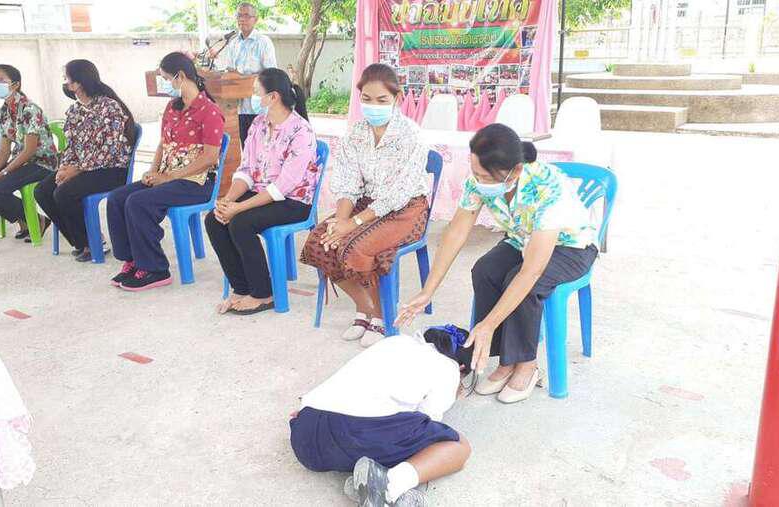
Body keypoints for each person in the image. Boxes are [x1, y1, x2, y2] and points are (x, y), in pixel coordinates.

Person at [396, 124, 599, 404]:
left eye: (484, 176)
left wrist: (488, 324)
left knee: (523, 281)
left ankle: (526, 363)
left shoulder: (548, 189)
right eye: (475, 172)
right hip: (522, 239)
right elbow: (456, 232)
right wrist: (427, 291)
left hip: (571, 247)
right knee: (486, 270)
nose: (477, 181)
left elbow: (531, 272)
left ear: (515, 171)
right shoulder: (480, 181)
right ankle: (506, 359)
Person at [300, 63, 431, 348]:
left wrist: (353, 224)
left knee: (355, 248)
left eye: (382, 100)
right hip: (368, 202)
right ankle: (365, 308)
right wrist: (340, 221)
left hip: (406, 208)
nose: (374, 106)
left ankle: (382, 315)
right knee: (321, 242)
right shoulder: (356, 133)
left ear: (397, 98)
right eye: (367, 99)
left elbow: (398, 194)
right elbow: (347, 180)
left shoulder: (411, 135)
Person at [290, 326, 473, 506]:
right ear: (462, 366)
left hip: (306, 436)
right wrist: (453, 391)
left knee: (385, 421)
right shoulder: (450, 367)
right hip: (354, 435)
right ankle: (389, 485)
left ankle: (367, 480)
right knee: (458, 446)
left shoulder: (397, 341)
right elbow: (428, 420)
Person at [106, 52, 224, 291]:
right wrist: (152, 172)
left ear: (180, 76)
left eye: (166, 78)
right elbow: (163, 144)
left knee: (138, 202)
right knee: (117, 198)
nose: (164, 84)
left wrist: (168, 177)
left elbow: (210, 158)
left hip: (196, 182)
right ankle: (133, 260)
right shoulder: (172, 107)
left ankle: (155, 269)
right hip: (168, 176)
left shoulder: (209, 111)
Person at [205, 68, 319, 315]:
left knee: (240, 223)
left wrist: (239, 208)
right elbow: (246, 169)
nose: (253, 97)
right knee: (215, 219)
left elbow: (284, 186)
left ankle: (263, 293)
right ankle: (241, 288)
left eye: (257, 92)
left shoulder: (301, 131)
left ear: (273, 97)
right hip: (262, 193)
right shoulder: (258, 124)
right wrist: (228, 201)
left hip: (293, 201)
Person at [34, 59, 136, 262]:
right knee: (43, 191)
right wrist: (64, 168)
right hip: (84, 167)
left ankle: (94, 242)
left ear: (78, 82)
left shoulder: (109, 107)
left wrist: (77, 170)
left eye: (67, 78)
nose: (64, 83)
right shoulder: (75, 110)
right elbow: (71, 145)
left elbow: (110, 149)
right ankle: (81, 241)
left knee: (64, 193)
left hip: (111, 169)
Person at [0, 64, 57, 241]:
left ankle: (36, 220)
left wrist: (1, 174)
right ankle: (23, 220)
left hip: (41, 162)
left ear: (15, 84)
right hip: (20, 161)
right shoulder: (3, 112)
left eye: (1, 80)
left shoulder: (30, 109)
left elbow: (29, 150)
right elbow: (4, 150)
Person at [211, 1, 276, 144]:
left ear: (255, 19)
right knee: (245, 147)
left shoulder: (263, 42)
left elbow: (271, 74)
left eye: (246, 16)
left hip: (258, 106)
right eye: (239, 16)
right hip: (239, 107)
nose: (242, 19)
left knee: (261, 147)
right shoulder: (233, 43)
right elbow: (230, 71)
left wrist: (243, 78)